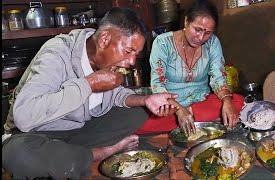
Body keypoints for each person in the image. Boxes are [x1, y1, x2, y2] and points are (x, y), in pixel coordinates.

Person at [2, 7, 177, 179]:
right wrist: (89, 84)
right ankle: (101, 152)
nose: (131, 61)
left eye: (135, 54)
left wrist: (146, 100)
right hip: (38, 135)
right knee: (18, 154)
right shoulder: (57, 53)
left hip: (78, 134)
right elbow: (23, 117)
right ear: (104, 39)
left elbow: (115, 96)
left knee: (139, 111)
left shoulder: (105, 62)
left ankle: (72, 156)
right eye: (128, 51)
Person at [136, 0, 244, 136]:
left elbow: (218, 77)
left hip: (201, 102)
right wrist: (179, 109)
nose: (201, 37)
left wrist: (227, 101)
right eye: (197, 29)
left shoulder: (212, 43)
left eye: (208, 32)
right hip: (170, 106)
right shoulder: (163, 43)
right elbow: (157, 84)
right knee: (138, 122)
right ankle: (194, 119)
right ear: (186, 22)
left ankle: (190, 118)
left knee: (238, 102)